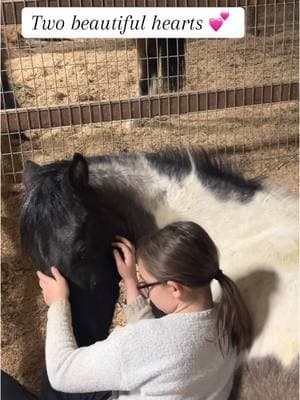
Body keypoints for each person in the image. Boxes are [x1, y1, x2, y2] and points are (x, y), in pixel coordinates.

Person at [36, 221, 253, 400]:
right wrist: (130, 281)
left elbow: (62, 372)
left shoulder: (137, 343)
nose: (144, 290)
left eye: (146, 284)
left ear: (175, 288)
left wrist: (58, 304)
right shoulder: (227, 320)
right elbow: (154, 349)